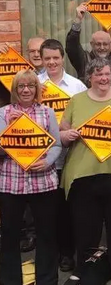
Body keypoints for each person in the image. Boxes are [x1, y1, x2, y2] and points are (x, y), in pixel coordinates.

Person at [59, 57, 111, 285]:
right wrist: (65, 135)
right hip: (83, 175)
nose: (104, 78)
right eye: (98, 75)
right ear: (89, 77)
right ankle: (86, 270)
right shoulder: (76, 100)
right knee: (86, 228)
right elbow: (63, 133)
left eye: (107, 74)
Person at [0, 69, 62, 285]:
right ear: (15, 90)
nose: (26, 90)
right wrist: (10, 127)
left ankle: (47, 279)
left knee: (47, 233)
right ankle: (9, 280)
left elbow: (57, 144)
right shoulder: (3, 113)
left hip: (43, 182)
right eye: (21, 87)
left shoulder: (47, 113)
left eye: (30, 86)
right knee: (9, 235)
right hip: (11, 183)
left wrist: (47, 161)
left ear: (37, 89)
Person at [38, 39, 87, 272]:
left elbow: (86, 117)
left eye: (55, 58)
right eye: (47, 58)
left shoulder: (77, 86)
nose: (52, 62)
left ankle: (69, 253)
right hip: (43, 159)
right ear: (42, 59)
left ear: (62, 58)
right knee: (48, 211)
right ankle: (51, 254)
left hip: (72, 157)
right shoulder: (35, 84)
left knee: (70, 210)